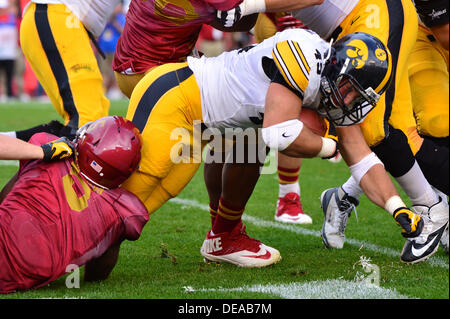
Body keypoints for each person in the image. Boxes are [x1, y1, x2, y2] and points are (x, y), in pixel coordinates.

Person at [120, 28, 424, 268]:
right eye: (348, 91)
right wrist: (327, 147)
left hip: (212, 122)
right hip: (177, 99)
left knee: (147, 204)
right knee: (131, 197)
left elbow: (362, 160)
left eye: (357, 98)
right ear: (336, 67)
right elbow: (279, 134)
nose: (348, 102)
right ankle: (79, 225)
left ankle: (223, 237)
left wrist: (396, 207)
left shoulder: (332, 84)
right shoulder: (304, 55)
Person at [281, 0, 448, 264]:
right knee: (397, 130)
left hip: (374, 16)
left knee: (375, 127)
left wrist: (244, 6)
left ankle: (423, 206)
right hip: (376, 28)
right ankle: (426, 205)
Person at [0, 116, 148, 293]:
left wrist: (42, 152)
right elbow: (98, 275)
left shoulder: (46, 143)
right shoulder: (123, 210)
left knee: (27, 174)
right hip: (14, 280)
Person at [0, 0, 121, 141]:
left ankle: (6, 142)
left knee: (94, 123)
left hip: (61, 21)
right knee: (86, 124)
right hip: (56, 17)